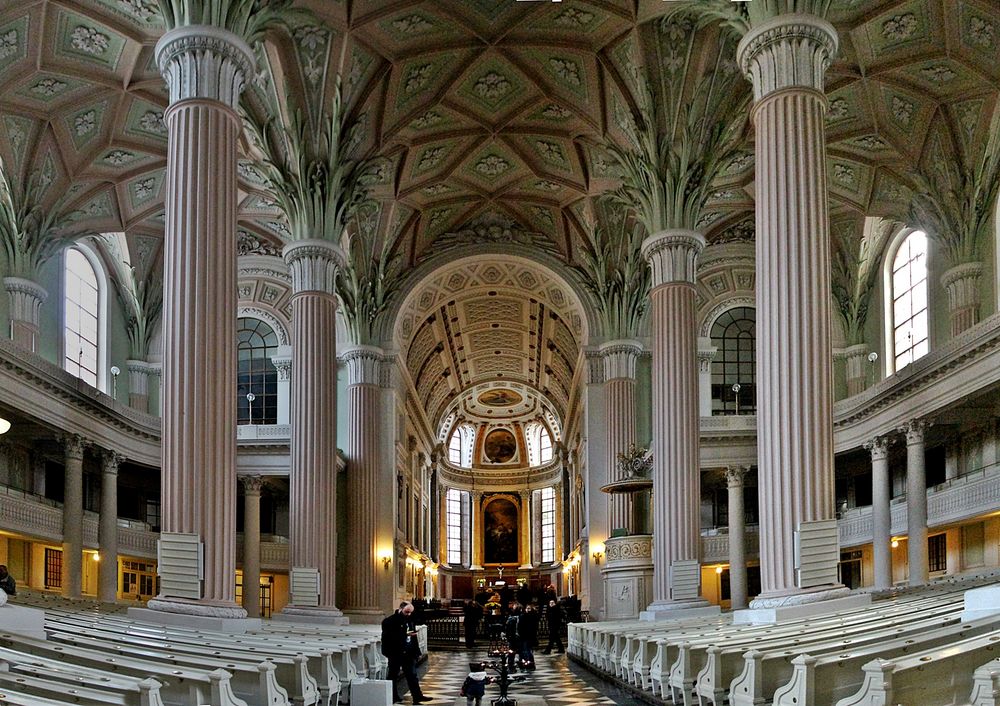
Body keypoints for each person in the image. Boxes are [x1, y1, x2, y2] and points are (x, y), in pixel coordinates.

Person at [381, 601, 430, 704]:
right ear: (400, 609)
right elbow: (388, 637)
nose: (408, 614)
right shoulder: (389, 621)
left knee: (412, 675)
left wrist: (416, 651)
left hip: (408, 653)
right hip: (395, 652)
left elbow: (413, 637)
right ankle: (393, 697)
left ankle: (417, 696)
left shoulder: (410, 619)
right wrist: (405, 634)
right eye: (407, 612)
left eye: (410, 612)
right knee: (393, 675)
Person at [518, 603, 539, 669]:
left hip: (529, 636)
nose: (528, 610)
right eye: (527, 608)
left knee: (528, 651)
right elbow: (520, 626)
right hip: (523, 636)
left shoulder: (533, 616)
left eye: (529, 608)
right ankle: (524, 663)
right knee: (524, 650)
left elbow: (534, 627)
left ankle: (530, 664)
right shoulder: (523, 616)